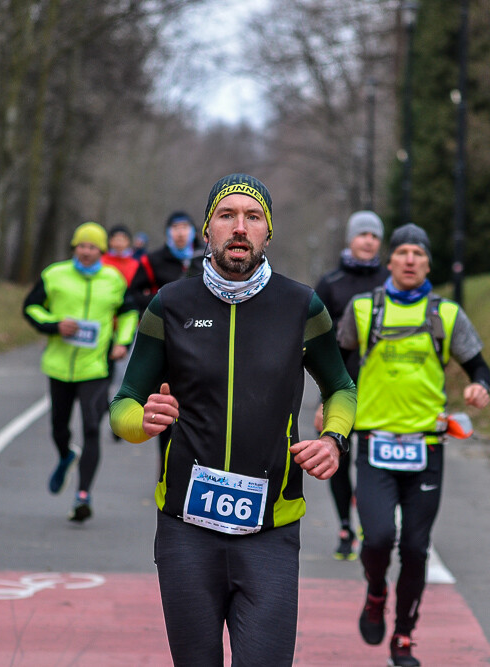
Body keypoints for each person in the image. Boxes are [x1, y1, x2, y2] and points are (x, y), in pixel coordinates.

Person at [109, 173, 357, 666]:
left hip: (271, 529)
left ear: (268, 233)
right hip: (185, 527)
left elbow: (342, 388)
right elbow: (124, 403)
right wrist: (143, 421)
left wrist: (334, 439)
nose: (239, 227)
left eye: (253, 217)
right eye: (227, 215)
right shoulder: (170, 305)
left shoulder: (301, 306)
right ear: (207, 230)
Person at [336, 223, 490, 667]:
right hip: (375, 444)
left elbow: (480, 366)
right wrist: (333, 404)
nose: (408, 259)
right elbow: (340, 365)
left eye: (417, 254)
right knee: (379, 538)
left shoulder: (446, 315)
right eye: (401, 252)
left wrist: (480, 387)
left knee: (417, 549)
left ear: (427, 264)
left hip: (426, 447)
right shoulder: (363, 310)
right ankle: (375, 590)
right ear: (389, 262)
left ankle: (403, 635)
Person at [22, 222, 138, 522]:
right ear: (74, 248)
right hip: (59, 366)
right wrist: (54, 324)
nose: (86, 252)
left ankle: (83, 495)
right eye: (82, 246)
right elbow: (30, 307)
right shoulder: (55, 274)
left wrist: (122, 342)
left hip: (95, 367)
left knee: (91, 428)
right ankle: (65, 456)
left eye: (93, 247)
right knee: (59, 428)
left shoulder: (112, 279)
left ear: (101, 251)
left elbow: (127, 313)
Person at [313, 210, 389, 561]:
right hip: (340, 387)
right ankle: (345, 525)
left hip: (383, 392)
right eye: (362, 234)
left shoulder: (391, 280)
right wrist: (323, 398)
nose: (368, 240)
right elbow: (317, 342)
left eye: (374, 235)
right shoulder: (331, 283)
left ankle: (372, 525)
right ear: (350, 239)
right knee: (338, 456)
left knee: (373, 463)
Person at [127, 210, 207, 465]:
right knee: (167, 415)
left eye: (185, 227)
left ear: (194, 231)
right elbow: (131, 295)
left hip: (203, 344)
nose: (180, 232)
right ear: (168, 232)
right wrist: (160, 304)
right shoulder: (153, 261)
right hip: (166, 345)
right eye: (175, 227)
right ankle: (167, 478)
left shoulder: (209, 256)